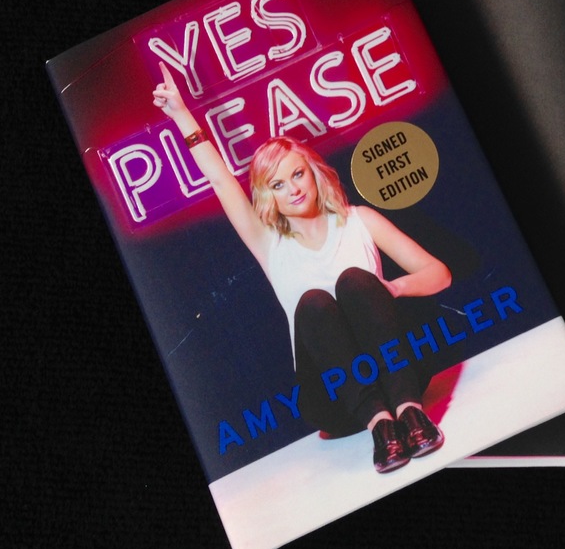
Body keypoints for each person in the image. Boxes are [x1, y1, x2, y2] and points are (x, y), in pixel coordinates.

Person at [152, 63, 452, 473]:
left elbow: (439, 274)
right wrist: (181, 115)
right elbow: (221, 181)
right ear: (268, 196)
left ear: (314, 173)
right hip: (335, 400)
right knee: (313, 303)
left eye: (297, 174)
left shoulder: (359, 221)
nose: (293, 189)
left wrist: (391, 288)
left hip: (399, 376)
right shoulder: (269, 243)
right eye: (278, 184)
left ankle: (410, 415)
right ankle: (381, 427)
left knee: (355, 281)